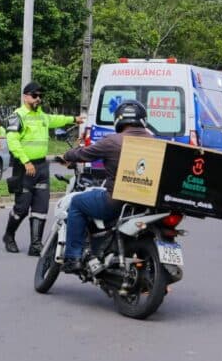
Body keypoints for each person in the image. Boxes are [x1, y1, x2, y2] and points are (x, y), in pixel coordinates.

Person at [57, 100, 154, 274]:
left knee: (78, 203)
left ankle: (73, 257)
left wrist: (66, 155)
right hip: (147, 203)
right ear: (143, 119)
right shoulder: (155, 142)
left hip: (116, 201)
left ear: (119, 120)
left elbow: (84, 154)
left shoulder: (113, 140)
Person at [2, 81, 84, 256]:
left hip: (41, 167)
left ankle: (36, 245)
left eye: (40, 96)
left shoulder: (42, 116)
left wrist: (74, 119)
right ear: (25, 97)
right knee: (22, 207)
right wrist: (26, 161)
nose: (38, 99)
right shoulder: (17, 116)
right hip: (24, 167)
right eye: (34, 96)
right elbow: (12, 141)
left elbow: (56, 120)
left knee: (41, 206)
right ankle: (9, 236)